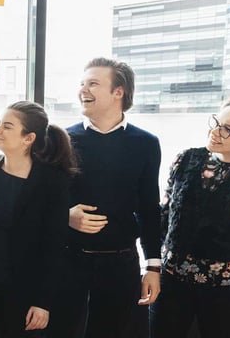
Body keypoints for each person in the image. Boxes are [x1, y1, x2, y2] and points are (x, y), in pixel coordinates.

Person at [48, 57, 162, 338]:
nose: (83, 90)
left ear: (118, 92)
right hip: (68, 261)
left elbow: (149, 207)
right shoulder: (61, 139)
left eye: (93, 84)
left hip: (120, 264)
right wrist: (66, 215)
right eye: (82, 83)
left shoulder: (146, 143)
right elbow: (41, 200)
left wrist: (153, 267)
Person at [0, 101, 76, 338]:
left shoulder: (52, 181)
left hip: (25, 294)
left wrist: (43, 302)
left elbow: (54, 245)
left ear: (28, 138)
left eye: (6, 126)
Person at [149, 98, 230, 338]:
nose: (215, 132)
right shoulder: (186, 159)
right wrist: (156, 263)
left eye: (227, 129)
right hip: (173, 278)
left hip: (226, 287)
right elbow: (166, 213)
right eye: (216, 122)